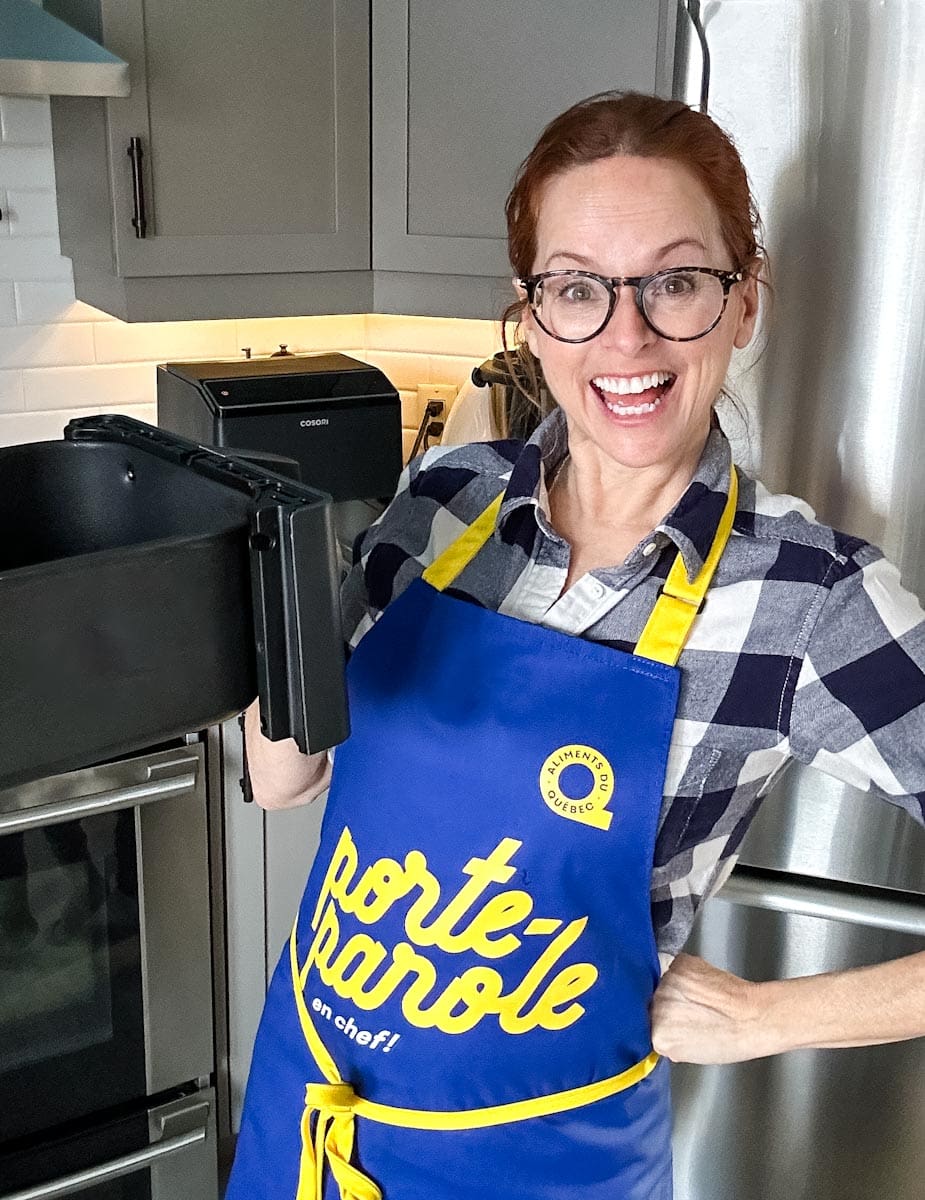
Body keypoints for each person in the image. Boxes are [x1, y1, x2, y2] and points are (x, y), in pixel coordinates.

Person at [226, 91, 925, 1200]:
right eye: (577, 291)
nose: (626, 338)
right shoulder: (444, 500)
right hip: (302, 1127)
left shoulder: (808, 598)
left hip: (541, 1171)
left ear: (745, 303)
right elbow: (286, 780)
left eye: (677, 283)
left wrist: (765, 1017)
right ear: (532, 315)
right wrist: (258, 587)